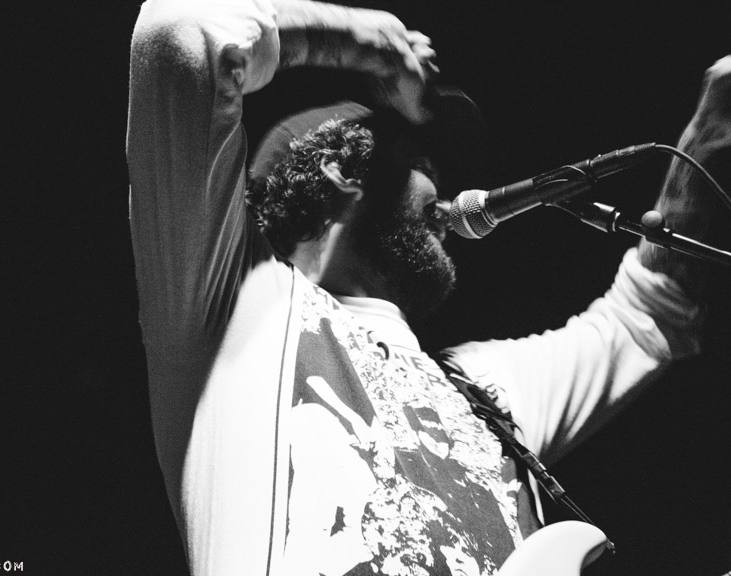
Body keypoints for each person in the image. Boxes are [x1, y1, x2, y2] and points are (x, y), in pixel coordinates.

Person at [125, 0, 731, 573]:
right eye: (423, 165)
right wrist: (369, 45)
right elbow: (183, 32)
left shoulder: (482, 389)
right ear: (341, 170)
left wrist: (709, 133)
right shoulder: (236, 307)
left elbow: (645, 314)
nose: (446, 191)